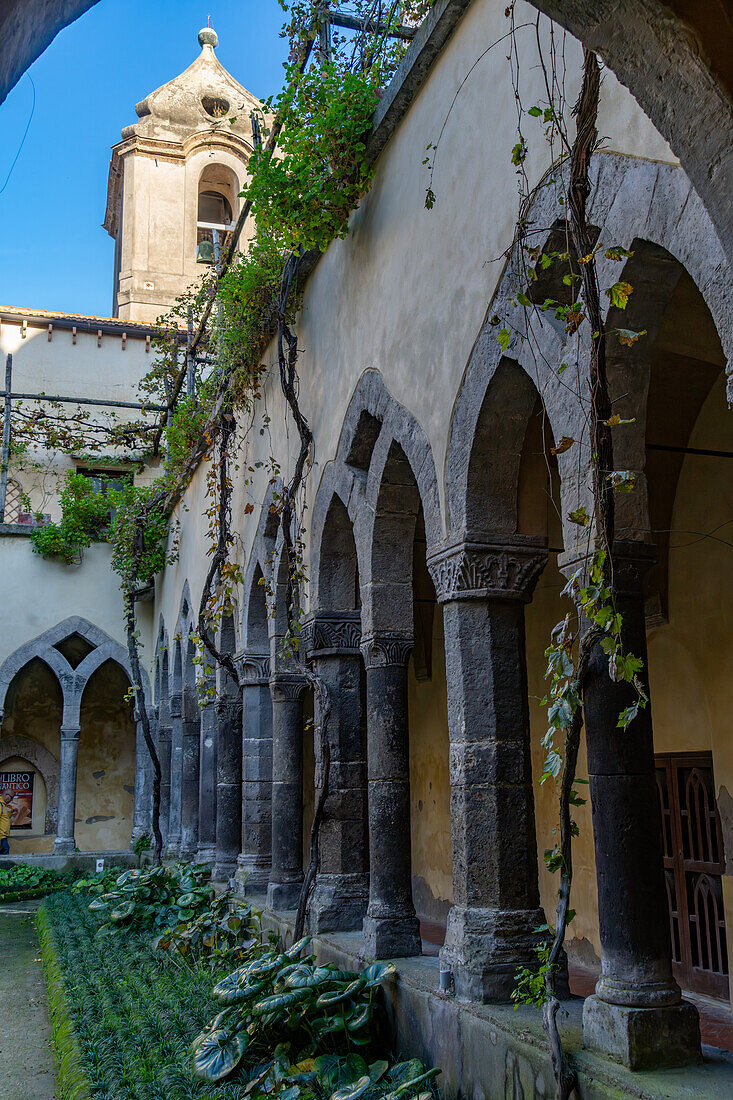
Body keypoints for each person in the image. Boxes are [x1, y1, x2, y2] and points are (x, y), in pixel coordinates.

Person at [0, 789, 12, 854]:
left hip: (3, 835)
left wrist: (12, 813)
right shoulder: (0, 804)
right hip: (1, 836)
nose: (11, 800)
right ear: (6, 795)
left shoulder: (3, 805)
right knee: (5, 851)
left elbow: (4, 817)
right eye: (11, 797)